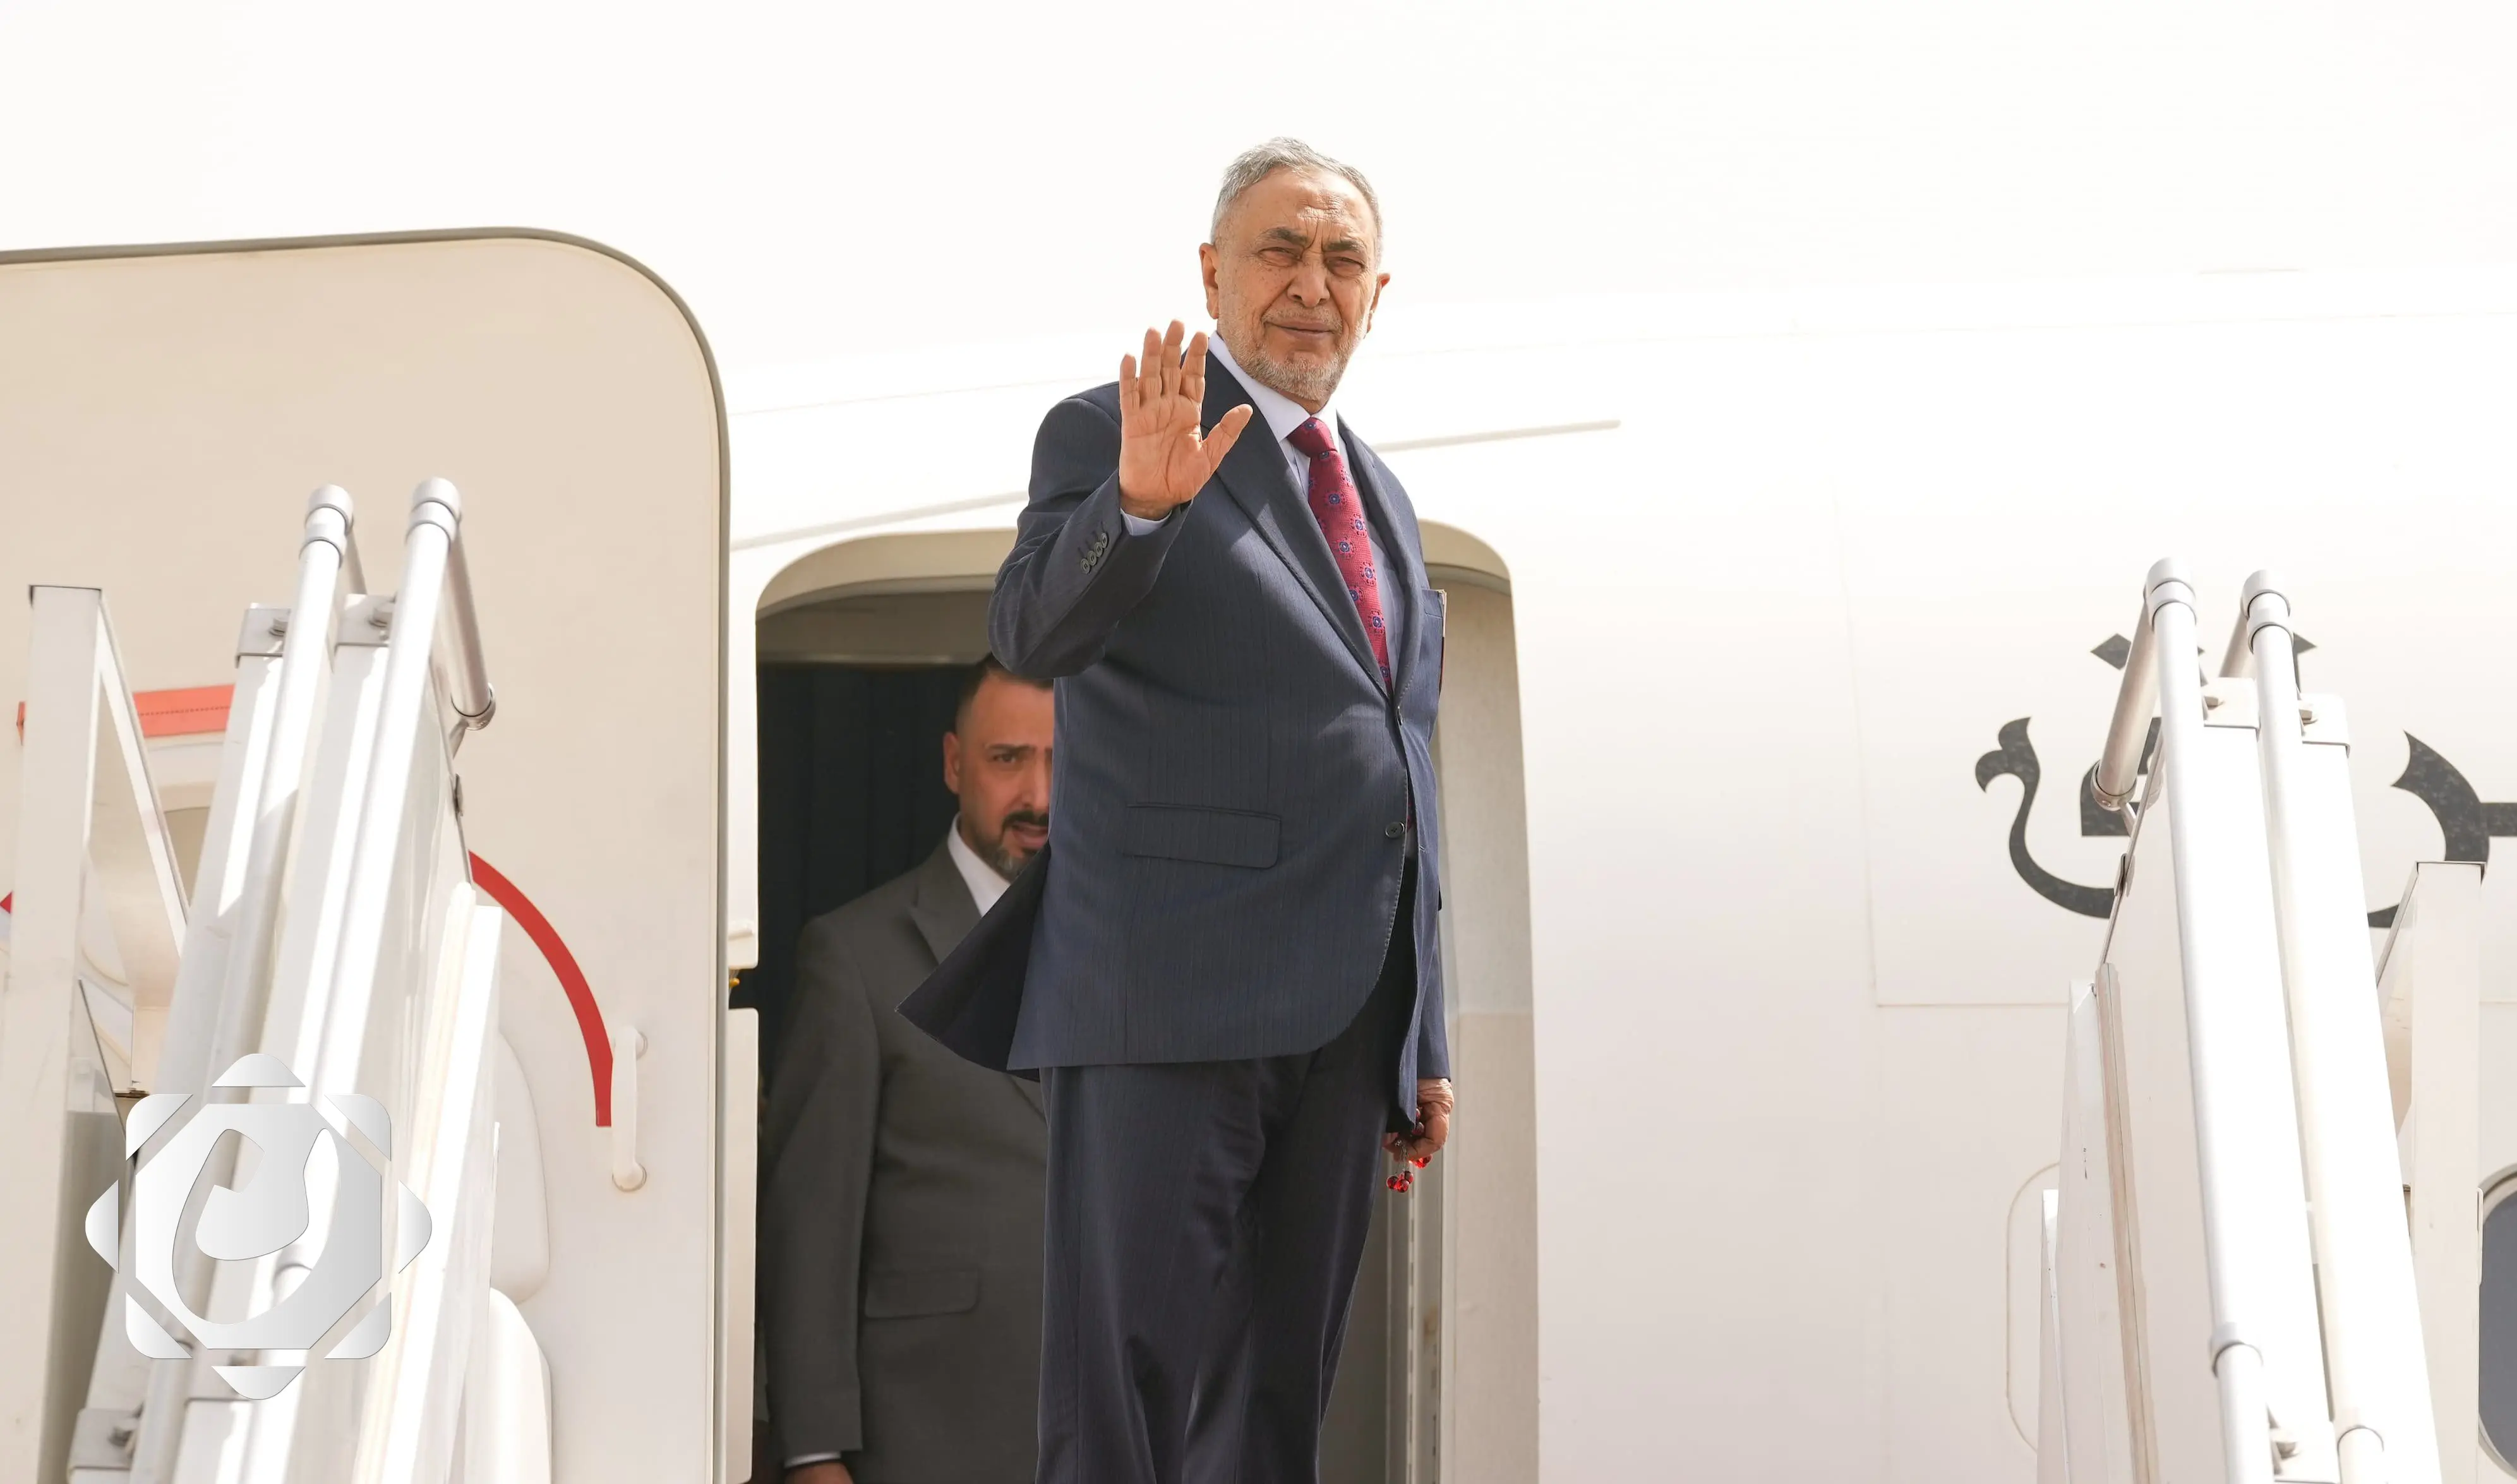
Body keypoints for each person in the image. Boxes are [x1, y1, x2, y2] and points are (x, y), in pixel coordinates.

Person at [906, 138, 1455, 1484]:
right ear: (1212, 275)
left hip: (1345, 1020)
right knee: (1125, 1403)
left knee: (1275, 1410)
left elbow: (1403, 756)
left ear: (1378, 293)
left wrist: (1423, 1029)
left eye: (1342, 260)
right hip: (1167, 995)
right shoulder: (1111, 432)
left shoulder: (1381, 493)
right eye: (1281, 251)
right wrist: (1139, 509)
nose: (1312, 285)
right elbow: (1033, 630)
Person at [762, 659, 1054, 1484]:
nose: (1039, 795)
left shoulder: (1133, 954)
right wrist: (814, 1452)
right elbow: (810, 1226)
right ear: (955, 764)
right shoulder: (854, 956)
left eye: (1061, 761)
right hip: (924, 1438)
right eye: (1008, 759)